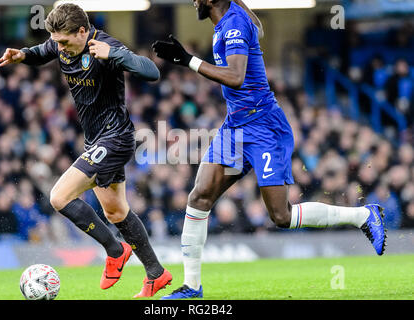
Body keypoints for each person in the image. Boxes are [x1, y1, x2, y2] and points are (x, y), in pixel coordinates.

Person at [153, 0, 387, 299]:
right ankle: (192, 286)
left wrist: (188, 60)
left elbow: (236, 77)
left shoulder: (235, 23)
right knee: (199, 196)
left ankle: (364, 217)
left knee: (281, 215)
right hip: (235, 126)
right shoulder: (224, 23)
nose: (193, 2)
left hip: (263, 128)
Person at [0, 3, 172, 298]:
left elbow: (151, 71)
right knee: (116, 212)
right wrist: (23, 55)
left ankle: (115, 251)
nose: (60, 47)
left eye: (65, 41)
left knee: (59, 197)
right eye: (57, 41)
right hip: (95, 140)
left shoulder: (105, 47)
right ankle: (156, 273)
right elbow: (43, 52)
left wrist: (114, 54)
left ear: (82, 32)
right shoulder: (60, 43)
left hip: (115, 138)